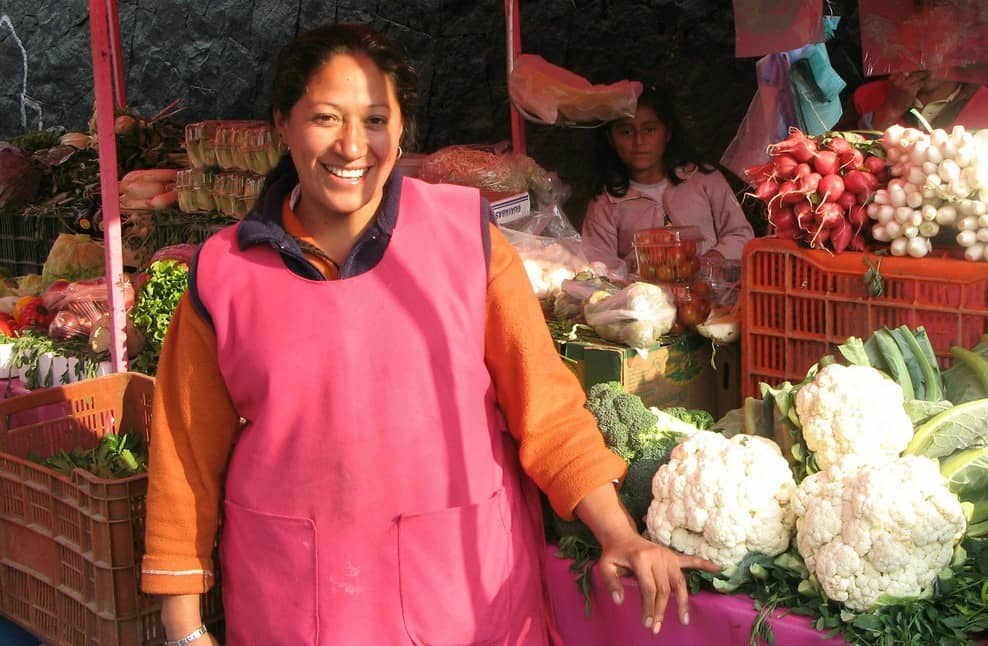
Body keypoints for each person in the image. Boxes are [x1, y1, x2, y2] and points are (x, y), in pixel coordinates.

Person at [140, 24, 716, 646]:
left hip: (463, 600)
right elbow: (183, 460)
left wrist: (619, 533)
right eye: (326, 118)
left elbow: (547, 412)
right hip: (295, 604)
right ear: (283, 123)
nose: (352, 145)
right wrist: (183, 629)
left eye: (376, 119)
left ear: (402, 128)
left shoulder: (465, 240)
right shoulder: (224, 274)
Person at [581, 87, 755, 271]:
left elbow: (741, 234)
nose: (639, 141)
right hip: (643, 297)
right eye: (626, 131)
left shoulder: (704, 179)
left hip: (708, 296)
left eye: (650, 129)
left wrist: (711, 261)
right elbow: (599, 264)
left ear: (667, 133)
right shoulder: (605, 202)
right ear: (610, 138)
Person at [836, 70, 988, 145]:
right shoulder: (866, 97)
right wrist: (889, 111)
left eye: (935, 47)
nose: (922, 59)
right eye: (913, 44)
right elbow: (835, 163)